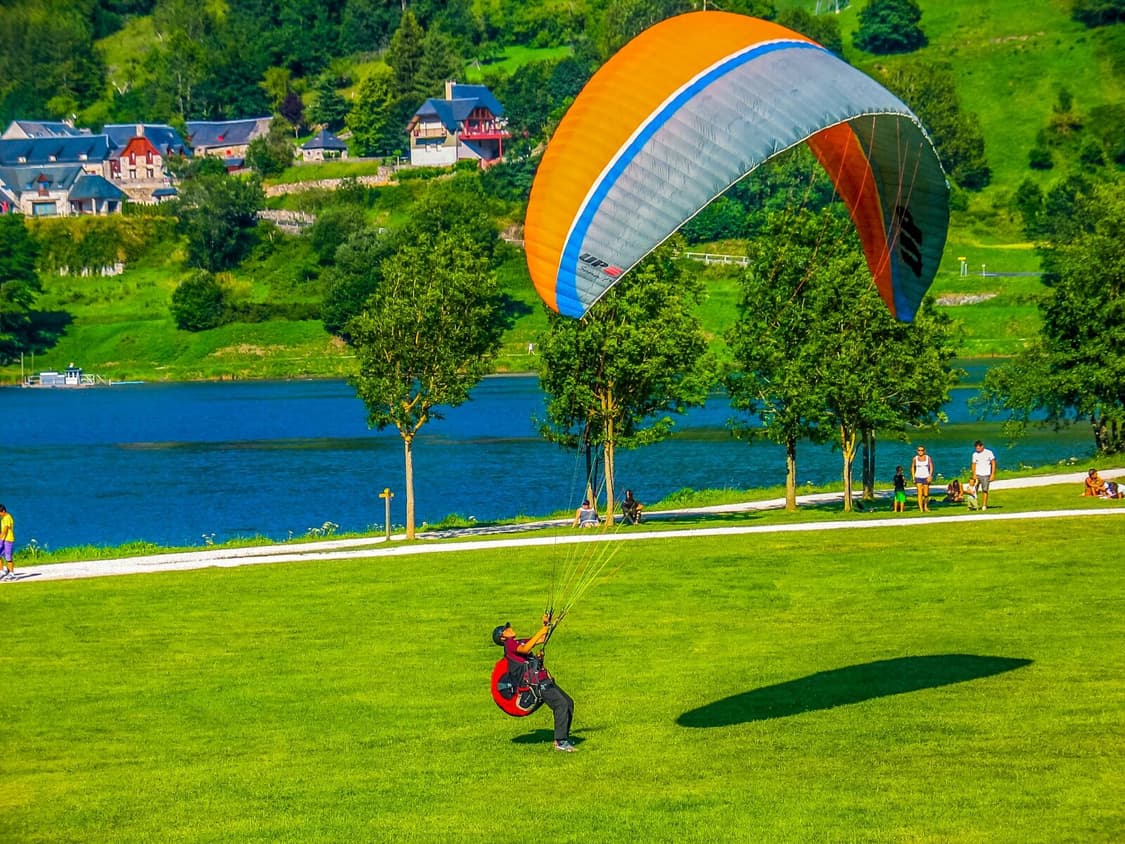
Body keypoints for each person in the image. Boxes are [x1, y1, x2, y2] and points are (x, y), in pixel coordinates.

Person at [493, 617, 576, 752]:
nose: (509, 628)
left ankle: (564, 738)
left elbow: (540, 640)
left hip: (543, 679)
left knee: (568, 702)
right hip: (536, 684)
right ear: (502, 638)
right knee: (560, 704)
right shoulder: (510, 644)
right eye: (506, 629)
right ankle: (560, 742)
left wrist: (547, 625)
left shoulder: (517, 642)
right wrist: (541, 630)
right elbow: (525, 649)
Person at [971, 440, 997, 510]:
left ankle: (984, 505)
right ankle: (974, 505)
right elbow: (973, 464)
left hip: (986, 474)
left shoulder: (989, 453)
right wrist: (974, 474)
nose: (977, 449)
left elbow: (993, 463)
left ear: (982, 446)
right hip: (977, 474)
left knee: (985, 490)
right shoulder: (974, 454)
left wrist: (992, 474)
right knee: (973, 490)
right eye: (976, 448)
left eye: (978, 448)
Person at [911, 445, 935, 512]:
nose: (920, 451)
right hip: (918, 477)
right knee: (919, 493)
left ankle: (926, 506)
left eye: (922, 450)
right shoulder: (915, 458)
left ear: (924, 451)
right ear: (917, 451)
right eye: (919, 450)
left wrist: (930, 475)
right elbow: (912, 467)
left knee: (926, 494)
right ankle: (921, 508)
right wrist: (913, 477)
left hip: (926, 477)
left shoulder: (928, 458)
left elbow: (931, 467)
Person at [0, 504, 14, 581]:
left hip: (8, 539)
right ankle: (2, 571)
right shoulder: (3, 518)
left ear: (3, 511)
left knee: (8, 557)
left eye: (0, 513)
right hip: (3, 539)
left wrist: (0, 538)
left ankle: (12, 574)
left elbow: (5, 530)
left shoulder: (7, 518)